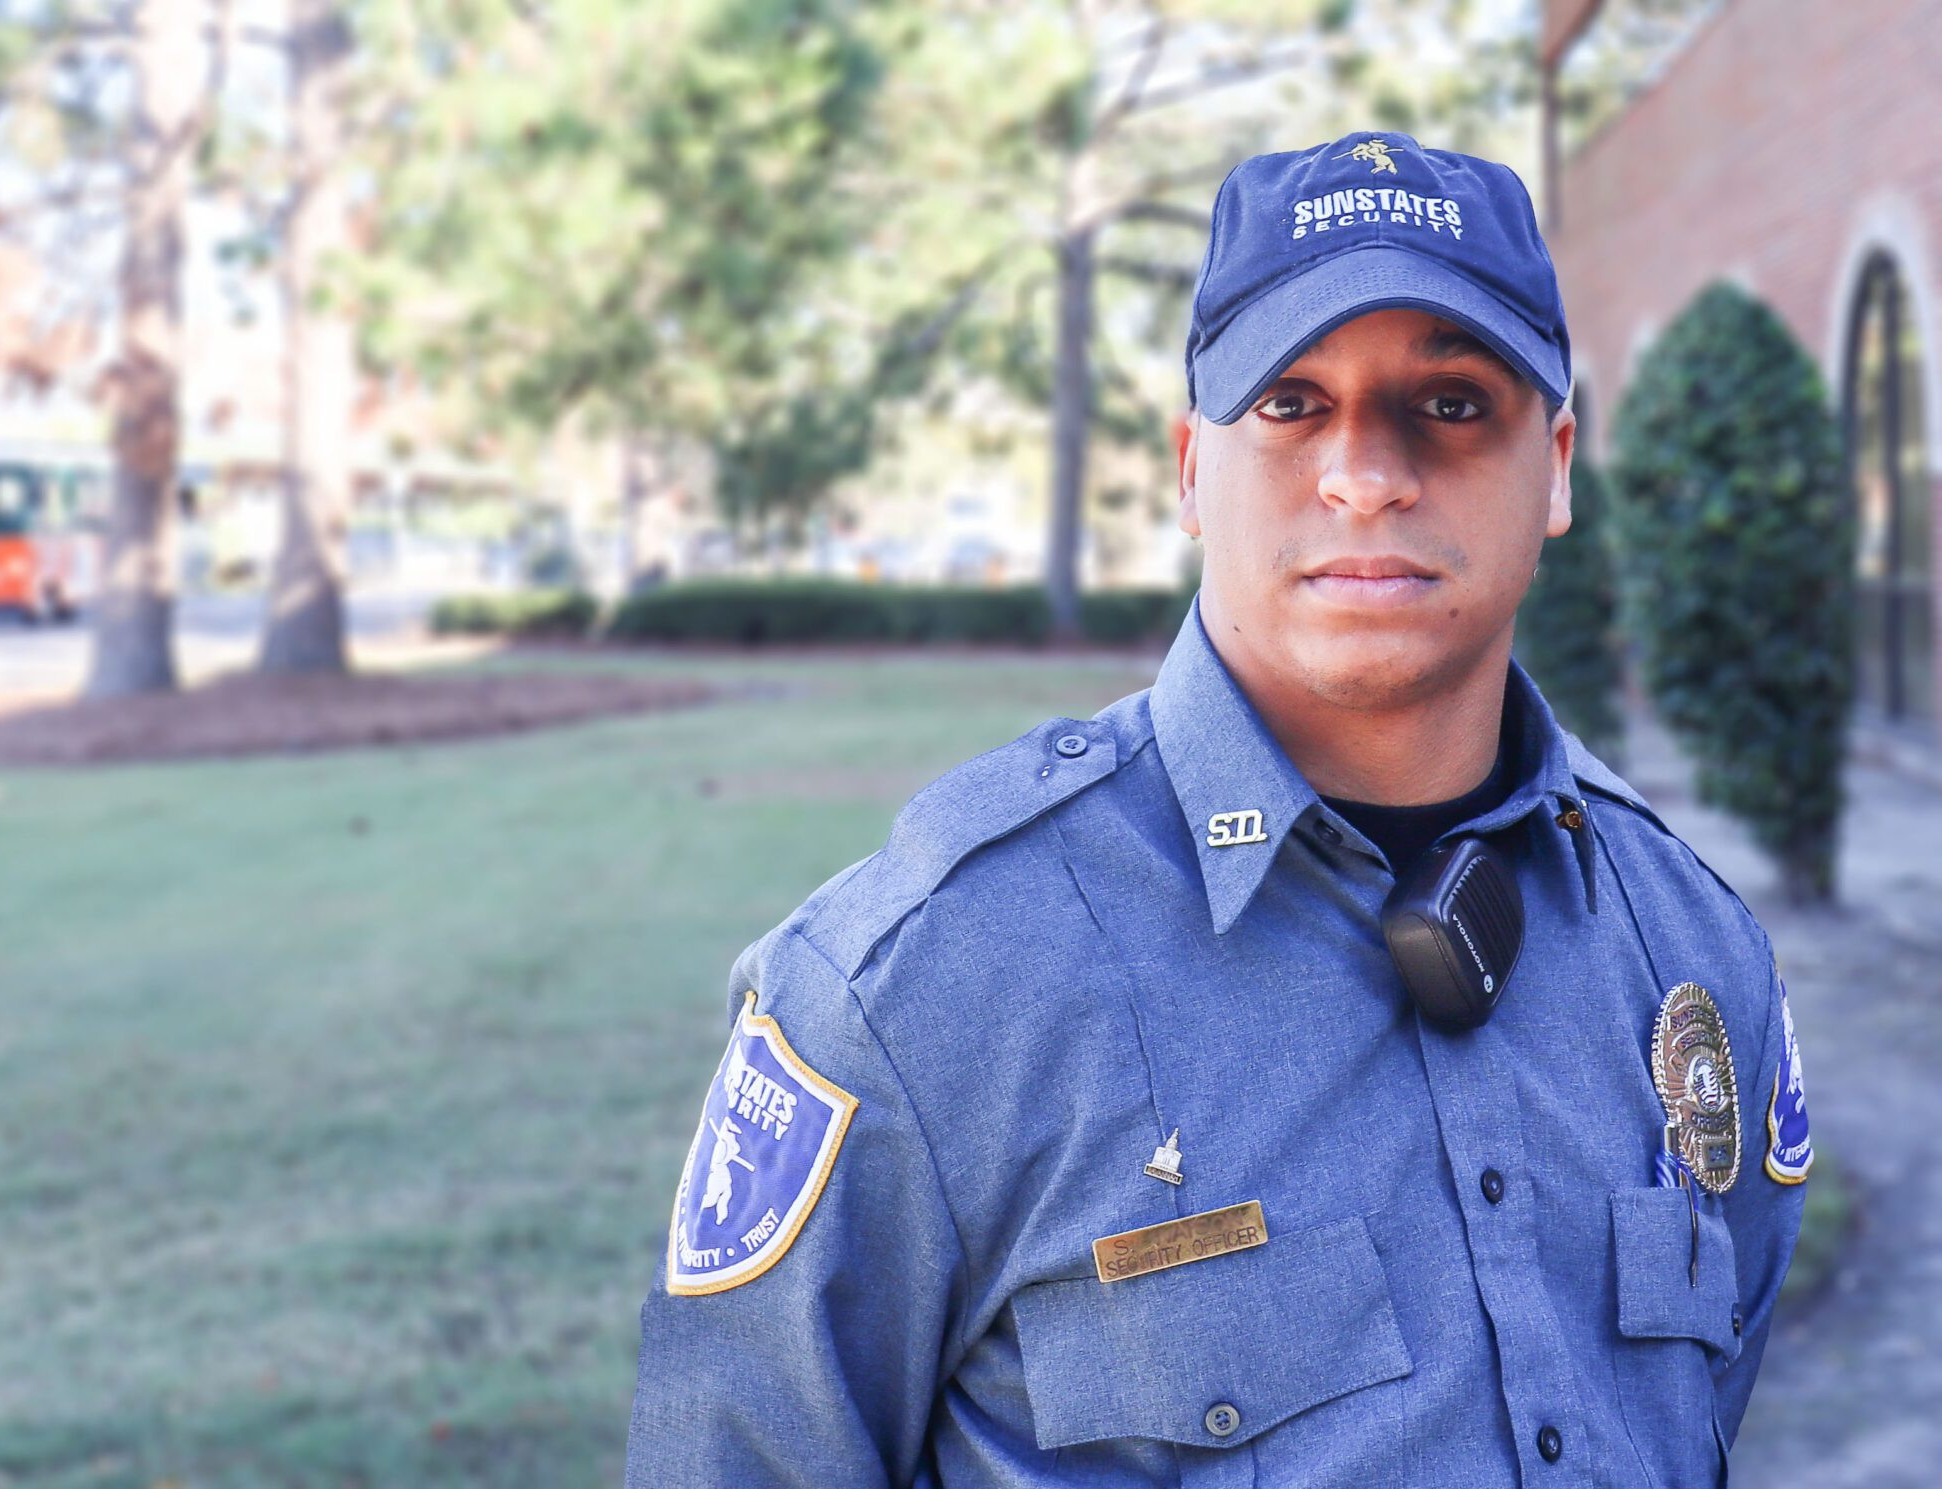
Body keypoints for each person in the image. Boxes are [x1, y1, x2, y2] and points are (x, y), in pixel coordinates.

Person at [624, 131, 1813, 1488]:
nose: (1366, 474)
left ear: (1555, 465)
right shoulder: (916, 993)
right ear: (1192, 466)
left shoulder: (1693, 953)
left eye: (1452, 403)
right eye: (1294, 404)